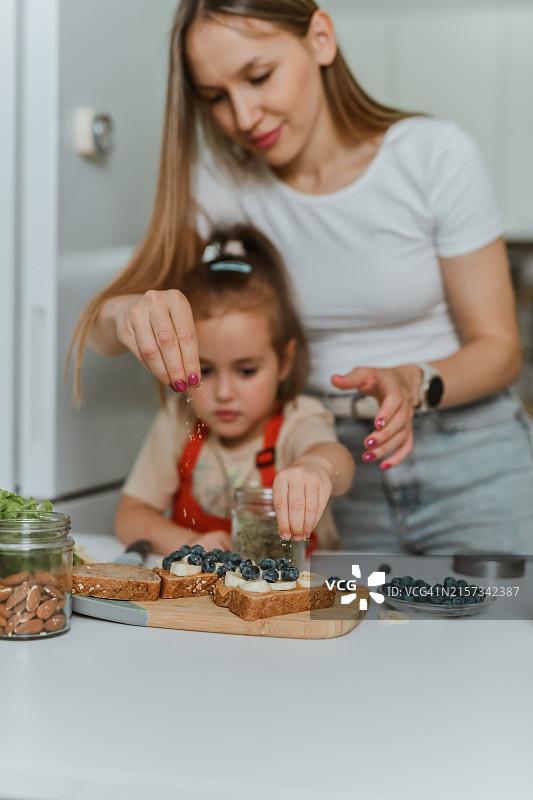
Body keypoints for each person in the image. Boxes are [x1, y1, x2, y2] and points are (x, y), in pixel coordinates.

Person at [71, 0, 533, 555]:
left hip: (470, 457)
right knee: (359, 635)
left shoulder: (435, 156)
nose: (243, 116)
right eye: (216, 97)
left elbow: (501, 350)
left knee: (501, 634)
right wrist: (125, 314)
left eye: (259, 76)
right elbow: (99, 330)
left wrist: (415, 381)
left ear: (320, 39)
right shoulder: (218, 188)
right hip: (325, 470)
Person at [114, 225, 355, 554]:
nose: (224, 392)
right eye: (205, 370)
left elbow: (338, 461)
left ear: (284, 362)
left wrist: (317, 468)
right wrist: (194, 545)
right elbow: (129, 517)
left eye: (246, 371)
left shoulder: (298, 417)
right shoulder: (179, 418)